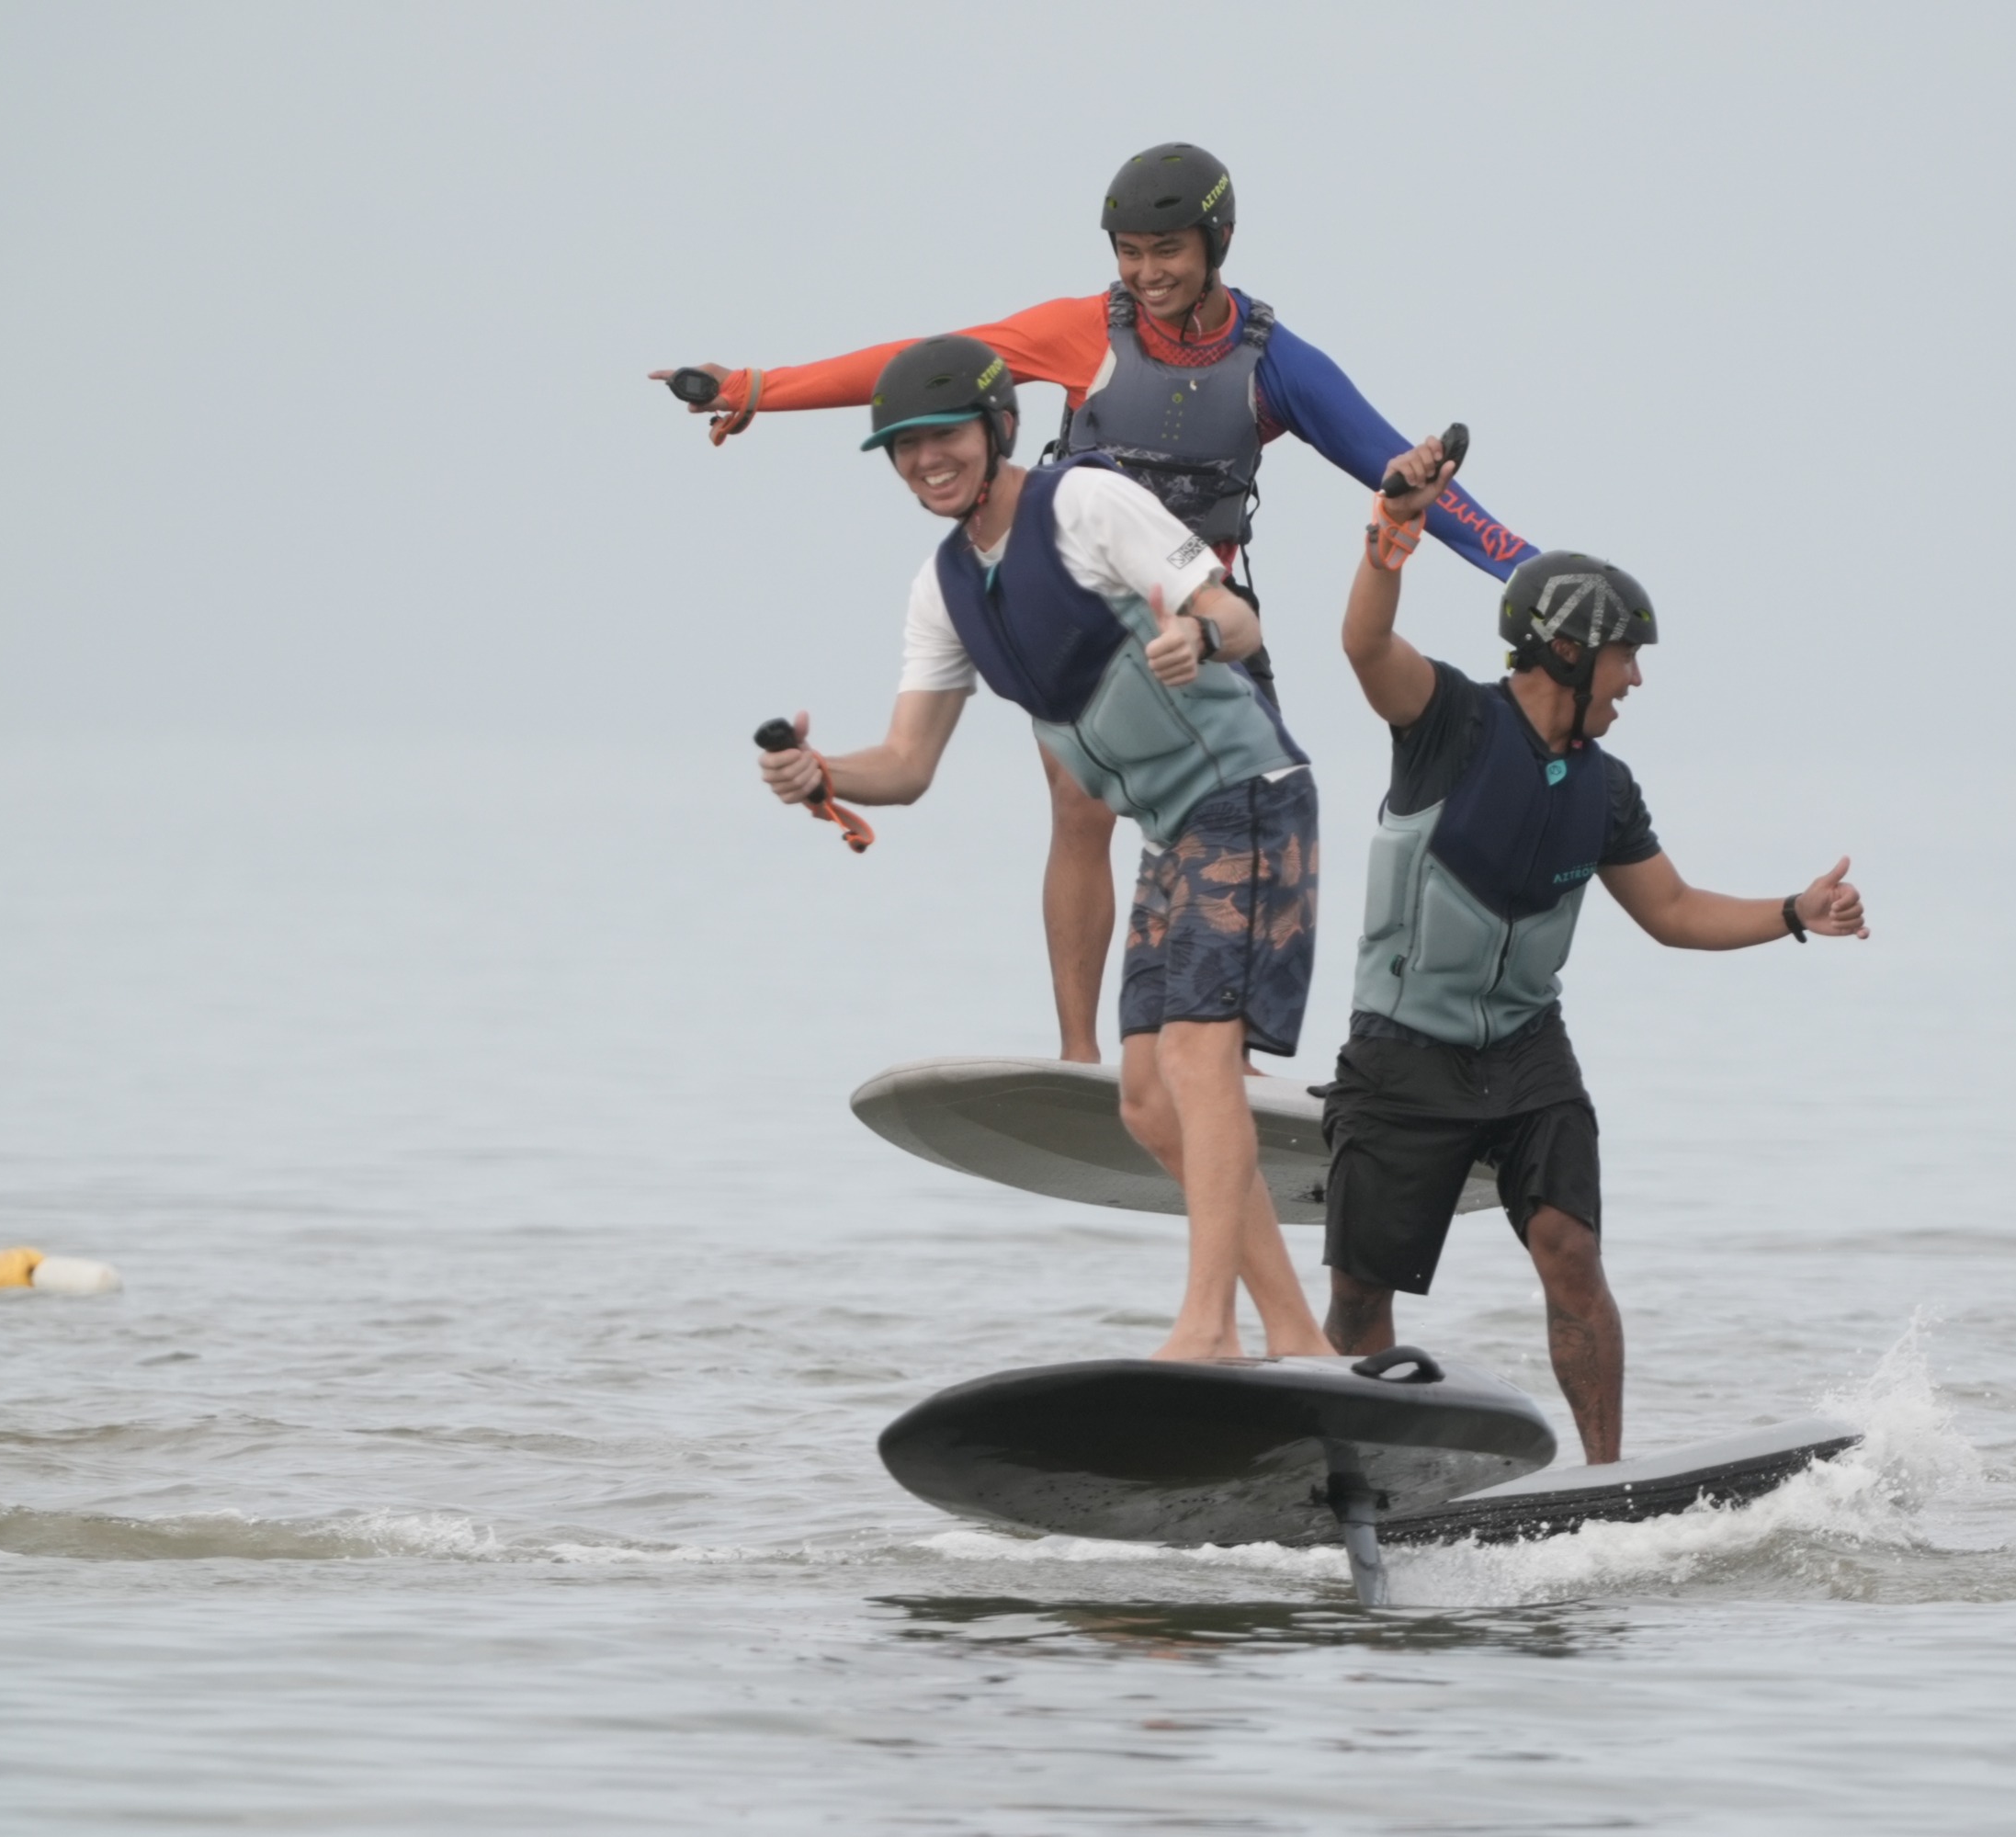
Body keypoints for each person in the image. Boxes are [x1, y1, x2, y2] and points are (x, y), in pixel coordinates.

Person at [663, 142, 1535, 1065]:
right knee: (1080, 805)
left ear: (1217, 242)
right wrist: (763, 389)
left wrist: (1526, 568)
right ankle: (1080, 1059)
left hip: (1199, 603)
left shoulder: (1275, 364)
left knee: (1242, 811)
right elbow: (923, 368)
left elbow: (1398, 466)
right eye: (1129, 250)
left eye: (1168, 250)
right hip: (1084, 603)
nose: (1148, 272)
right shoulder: (1085, 330)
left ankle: (1223, 1060)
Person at [757, 335, 1329, 1361]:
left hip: (1246, 796)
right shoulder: (943, 586)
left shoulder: (1083, 505)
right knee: (1151, 1105)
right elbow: (909, 761)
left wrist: (1197, 633)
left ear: (997, 428)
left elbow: (1233, 618)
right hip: (1172, 831)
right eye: (902, 447)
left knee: (1199, 1066)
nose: (926, 461)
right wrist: (822, 773)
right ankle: (1301, 1339)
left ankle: (1209, 1332)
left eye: (943, 437)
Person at [1318, 437, 1871, 1462]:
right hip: (1404, 1049)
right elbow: (1363, 646)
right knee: (1359, 1295)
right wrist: (1395, 528)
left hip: (1528, 1052)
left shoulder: (1607, 788)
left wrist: (1795, 910)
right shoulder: (1450, 721)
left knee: (1571, 1252)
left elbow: (1672, 908)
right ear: (1568, 650)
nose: (1636, 680)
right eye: (1628, 656)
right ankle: (1354, 1472)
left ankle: (1608, 1483)